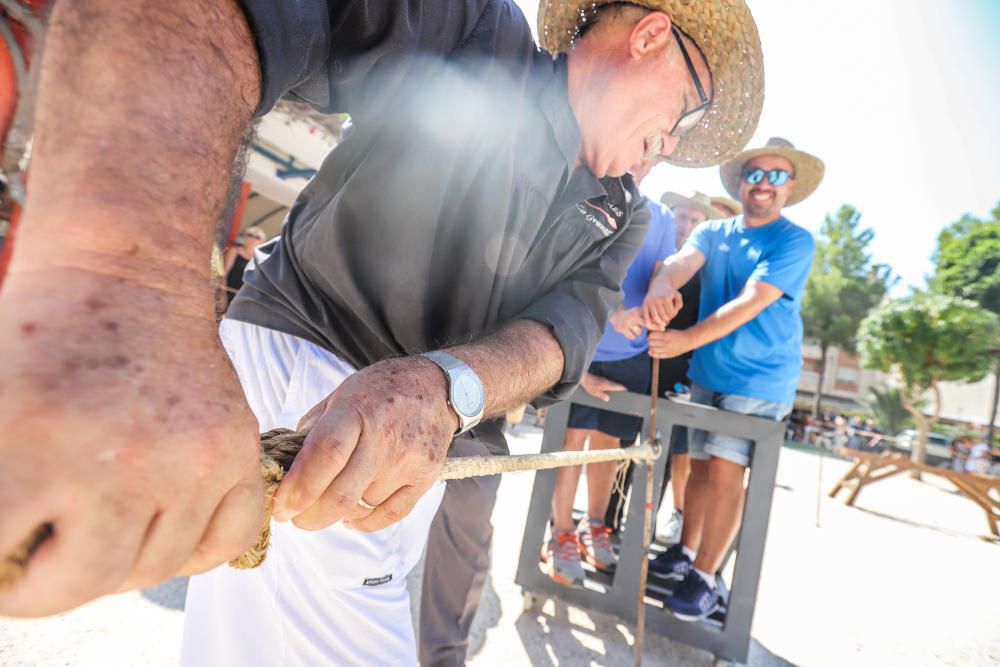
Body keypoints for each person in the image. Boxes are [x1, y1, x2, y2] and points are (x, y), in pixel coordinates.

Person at [0, 2, 764, 665]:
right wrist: (127, 271)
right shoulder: (473, 33)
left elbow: (566, 331)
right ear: (652, 36)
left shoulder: (623, 212)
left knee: (245, 644)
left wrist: (445, 387)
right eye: (683, 122)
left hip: (435, 432)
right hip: (306, 363)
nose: (669, 149)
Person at [643, 137, 822, 621]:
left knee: (725, 470)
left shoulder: (793, 240)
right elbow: (680, 264)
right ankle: (688, 553)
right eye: (756, 174)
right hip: (708, 372)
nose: (764, 184)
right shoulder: (714, 231)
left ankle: (705, 577)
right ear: (741, 181)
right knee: (700, 467)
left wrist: (685, 341)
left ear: (790, 187)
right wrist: (662, 285)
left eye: (777, 176)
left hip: (759, 379)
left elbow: (751, 301)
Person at [546, 158, 675, 586]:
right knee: (571, 444)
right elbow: (568, 270)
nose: (645, 157)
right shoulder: (587, 197)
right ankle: (560, 531)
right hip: (581, 342)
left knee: (610, 446)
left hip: (631, 354)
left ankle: (594, 525)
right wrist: (615, 312)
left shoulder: (663, 216)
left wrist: (660, 303)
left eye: (655, 150)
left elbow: (662, 274)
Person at [653, 191, 729, 543]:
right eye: (682, 217)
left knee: (680, 452)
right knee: (639, 446)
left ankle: (675, 520)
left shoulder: (714, 269)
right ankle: (615, 521)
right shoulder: (660, 252)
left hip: (691, 368)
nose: (687, 225)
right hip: (648, 361)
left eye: (695, 220)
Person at [222, 226, 267, 304]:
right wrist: (222, 292)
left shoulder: (261, 259)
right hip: (227, 292)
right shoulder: (235, 251)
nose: (253, 239)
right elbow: (224, 273)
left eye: (257, 237)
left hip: (245, 297)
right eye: (250, 235)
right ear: (245, 237)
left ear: (262, 242)